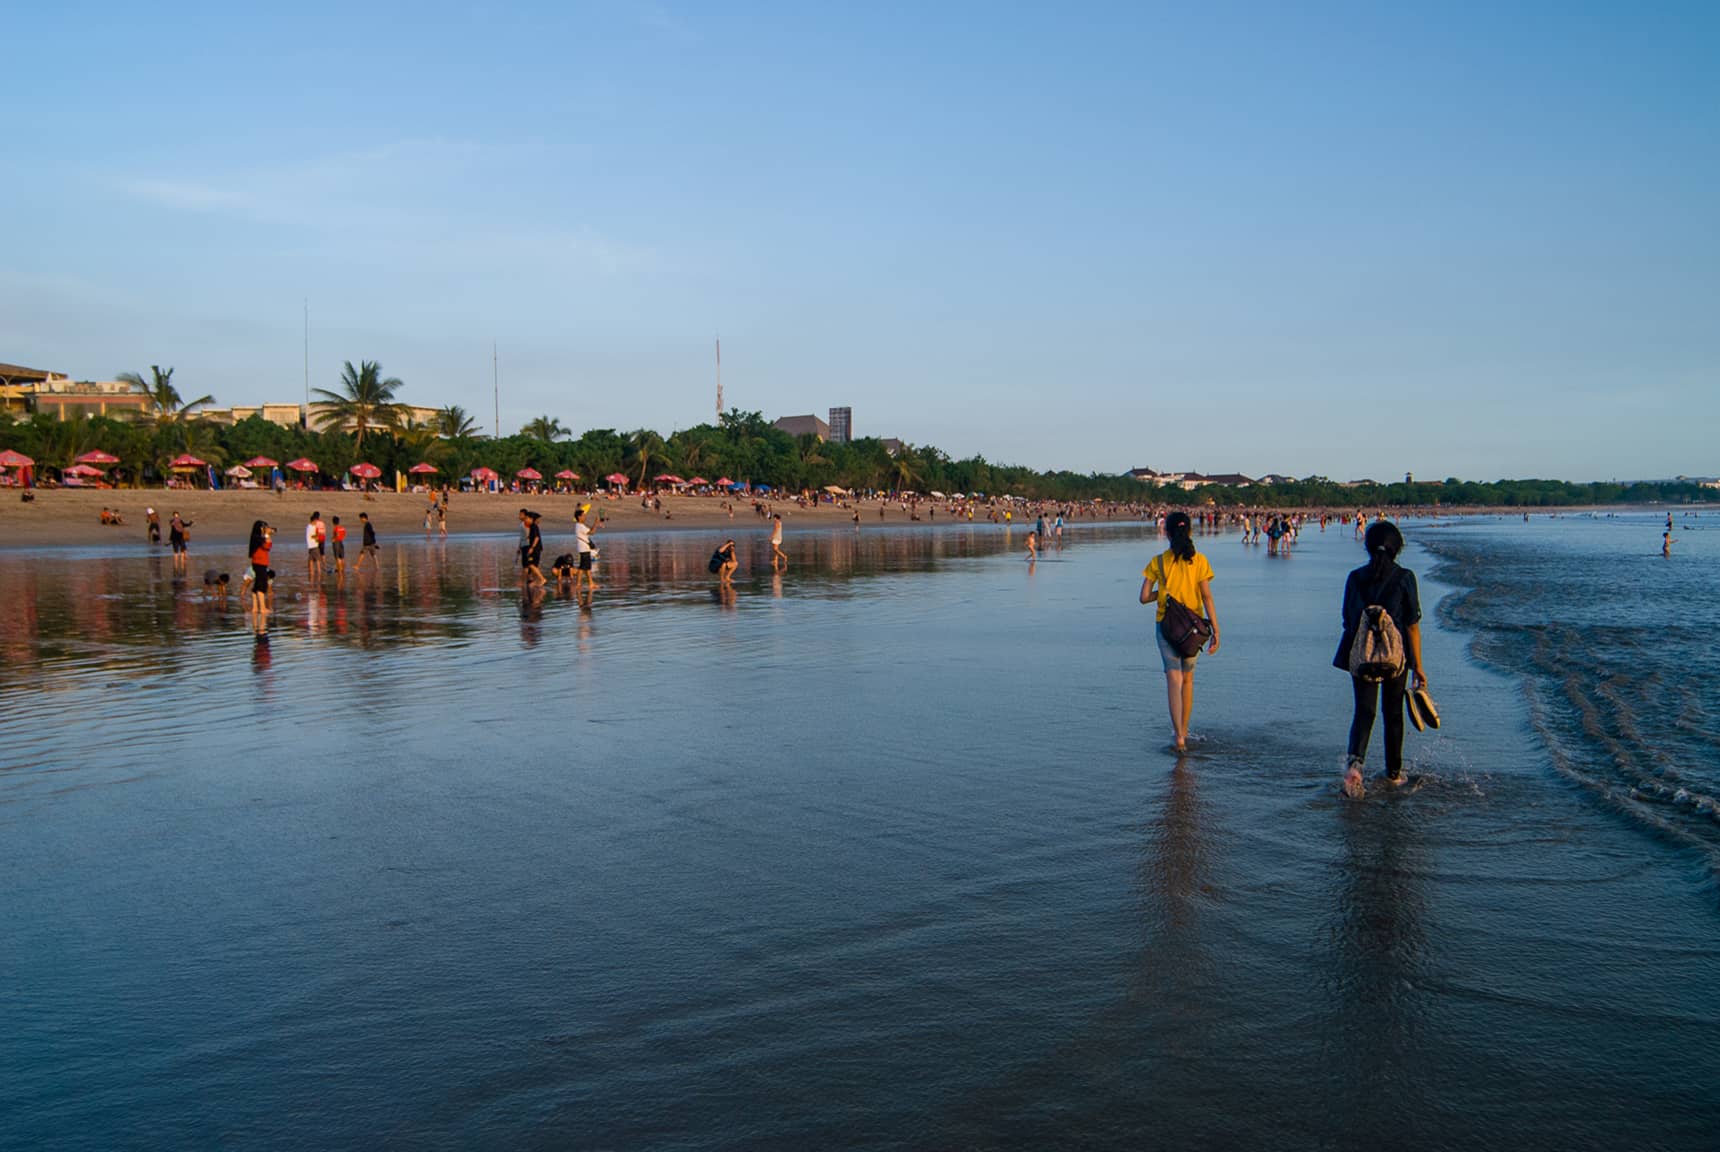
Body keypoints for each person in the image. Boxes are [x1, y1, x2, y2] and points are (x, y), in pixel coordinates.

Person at [1335, 520, 1426, 797]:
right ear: (1397, 548)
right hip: (1395, 657)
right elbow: (1412, 624)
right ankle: (1394, 773)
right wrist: (1418, 667)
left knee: (1364, 712)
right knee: (1393, 713)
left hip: (1361, 654)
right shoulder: (1405, 577)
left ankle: (1355, 767)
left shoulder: (1355, 577)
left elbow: (1348, 620)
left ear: (1367, 546)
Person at [1139, 510, 1220, 753]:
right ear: (1190, 532)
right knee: (1188, 680)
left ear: (1167, 533)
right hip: (1193, 629)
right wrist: (1216, 629)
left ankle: (1179, 739)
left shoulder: (1158, 562)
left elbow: (1143, 597)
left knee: (1173, 679)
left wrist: (1162, 593)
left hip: (1166, 626)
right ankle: (1184, 729)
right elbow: (1207, 596)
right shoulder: (1200, 560)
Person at [247, 520, 273, 629]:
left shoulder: (255, 537)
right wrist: (267, 534)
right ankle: (262, 608)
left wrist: (266, 534)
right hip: (260, 563)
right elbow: (267, 546)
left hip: (258, 563)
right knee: (262, 585)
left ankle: (255, 608)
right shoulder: (258, 538)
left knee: (257, 584)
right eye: (264, 528)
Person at [573, 505, 598, 593]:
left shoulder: (580, 525)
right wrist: (596, 523)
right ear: (579, 517)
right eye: (583, 515)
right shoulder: (580, 526)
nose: (585, 517)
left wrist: (595, 524)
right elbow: (592, 532)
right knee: (582, 567)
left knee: (587, 567)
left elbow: (590, 531)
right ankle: (578, 584)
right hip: (584, 549)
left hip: (584, 548)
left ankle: (590, 583)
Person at [522, 510, 547, 587]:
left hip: (535, 548)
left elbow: (536, 538)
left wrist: (532, 548)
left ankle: (542, 579)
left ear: (531, 519)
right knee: (534, 565)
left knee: (531, 564)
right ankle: (535, 581)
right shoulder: (534, 526)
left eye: (527, 518)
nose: (525, 520)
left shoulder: (533, 526)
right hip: (537, 548)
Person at [306, 512, 324, 580]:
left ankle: (311, 574)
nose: (317, 522)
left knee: (311, 560)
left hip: (310, 546)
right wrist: (318, 536)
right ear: (313, 520)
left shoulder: (308, 526)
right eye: (316, 521)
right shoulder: (312, 527)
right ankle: (319, 575)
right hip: (314, 546)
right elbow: (313, 536)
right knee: (317, 560)